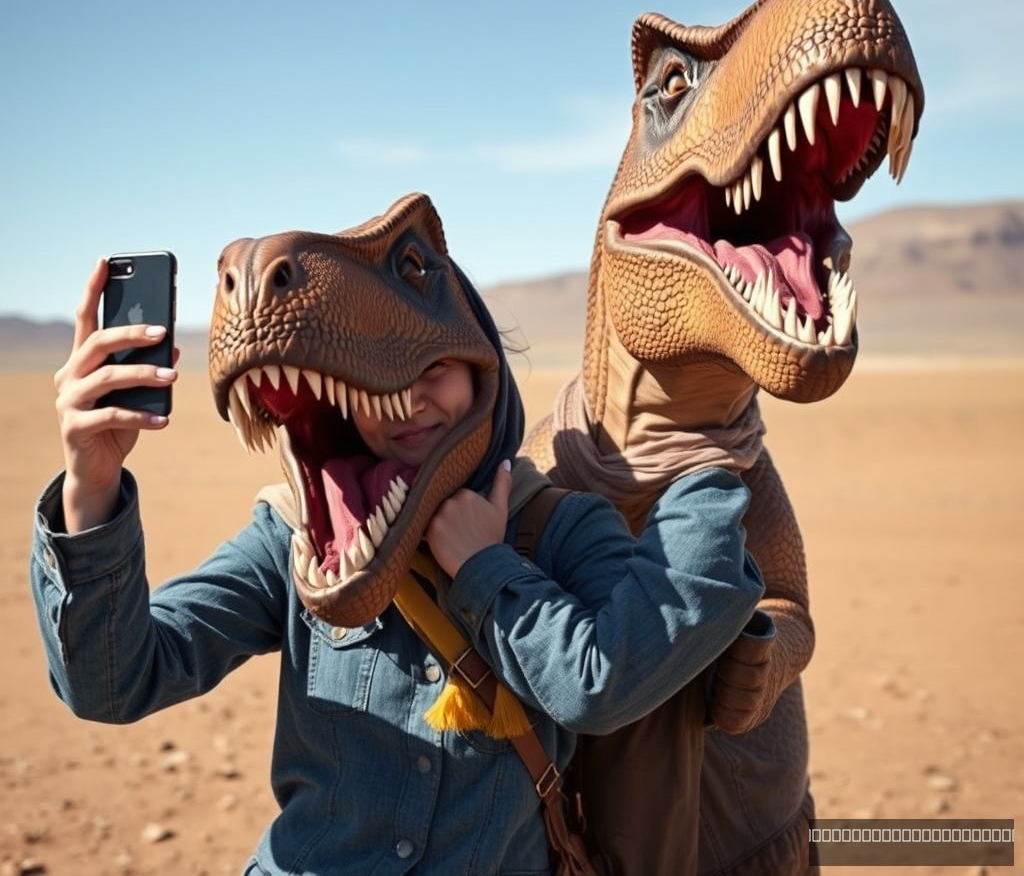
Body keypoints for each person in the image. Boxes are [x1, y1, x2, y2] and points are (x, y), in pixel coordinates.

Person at [31, 211, 767, 875]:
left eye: (434, 369)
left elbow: (604, 679)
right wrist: (90, 486)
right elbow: (114, 681)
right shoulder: (299, 535)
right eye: (380, 387)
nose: (410, 404)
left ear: (486, 376)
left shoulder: (554, 528)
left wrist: (488, 570)